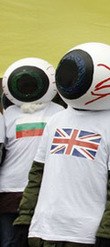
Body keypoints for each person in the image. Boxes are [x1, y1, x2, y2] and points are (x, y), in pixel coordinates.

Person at [13, 42, 110, 247]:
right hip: (43, 231)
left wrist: (108, 232)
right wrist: (25, 217)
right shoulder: (56, 120)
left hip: (85, 235)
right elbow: (37, 174)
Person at [0, 58, 64, 247]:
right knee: (10, 242)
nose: (28, 87)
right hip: (10, 191)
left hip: (47, 191)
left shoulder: (59, 113)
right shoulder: (8, 115)